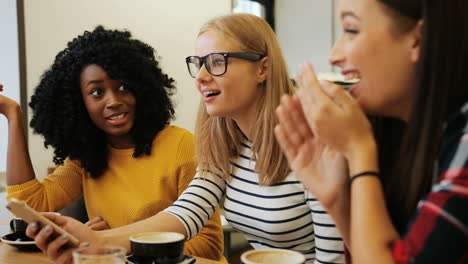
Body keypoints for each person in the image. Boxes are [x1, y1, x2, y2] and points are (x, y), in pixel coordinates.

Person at [26, 14, 345, 264]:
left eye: (217, 62)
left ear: (262, 69)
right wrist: (94, 241)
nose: (202, 76)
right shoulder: (226, 144)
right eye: (198, 63)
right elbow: (183, 215)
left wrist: (102, 241)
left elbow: (334, 258)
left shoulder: (313, 143)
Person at [0, 26, 224, 261]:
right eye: (97, 92)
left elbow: (209, 247)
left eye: (124, 87)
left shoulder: (181, 145)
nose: (114, 101)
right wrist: (12, 115)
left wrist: (115, 243)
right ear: (78, 103)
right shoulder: (88, 158)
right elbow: (30, 207)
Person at [275, 0, 468, 263]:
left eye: (351, 29)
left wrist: (358, 151)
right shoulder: (406, 134)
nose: (334, 55)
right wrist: (336, 199)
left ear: (418, 40)